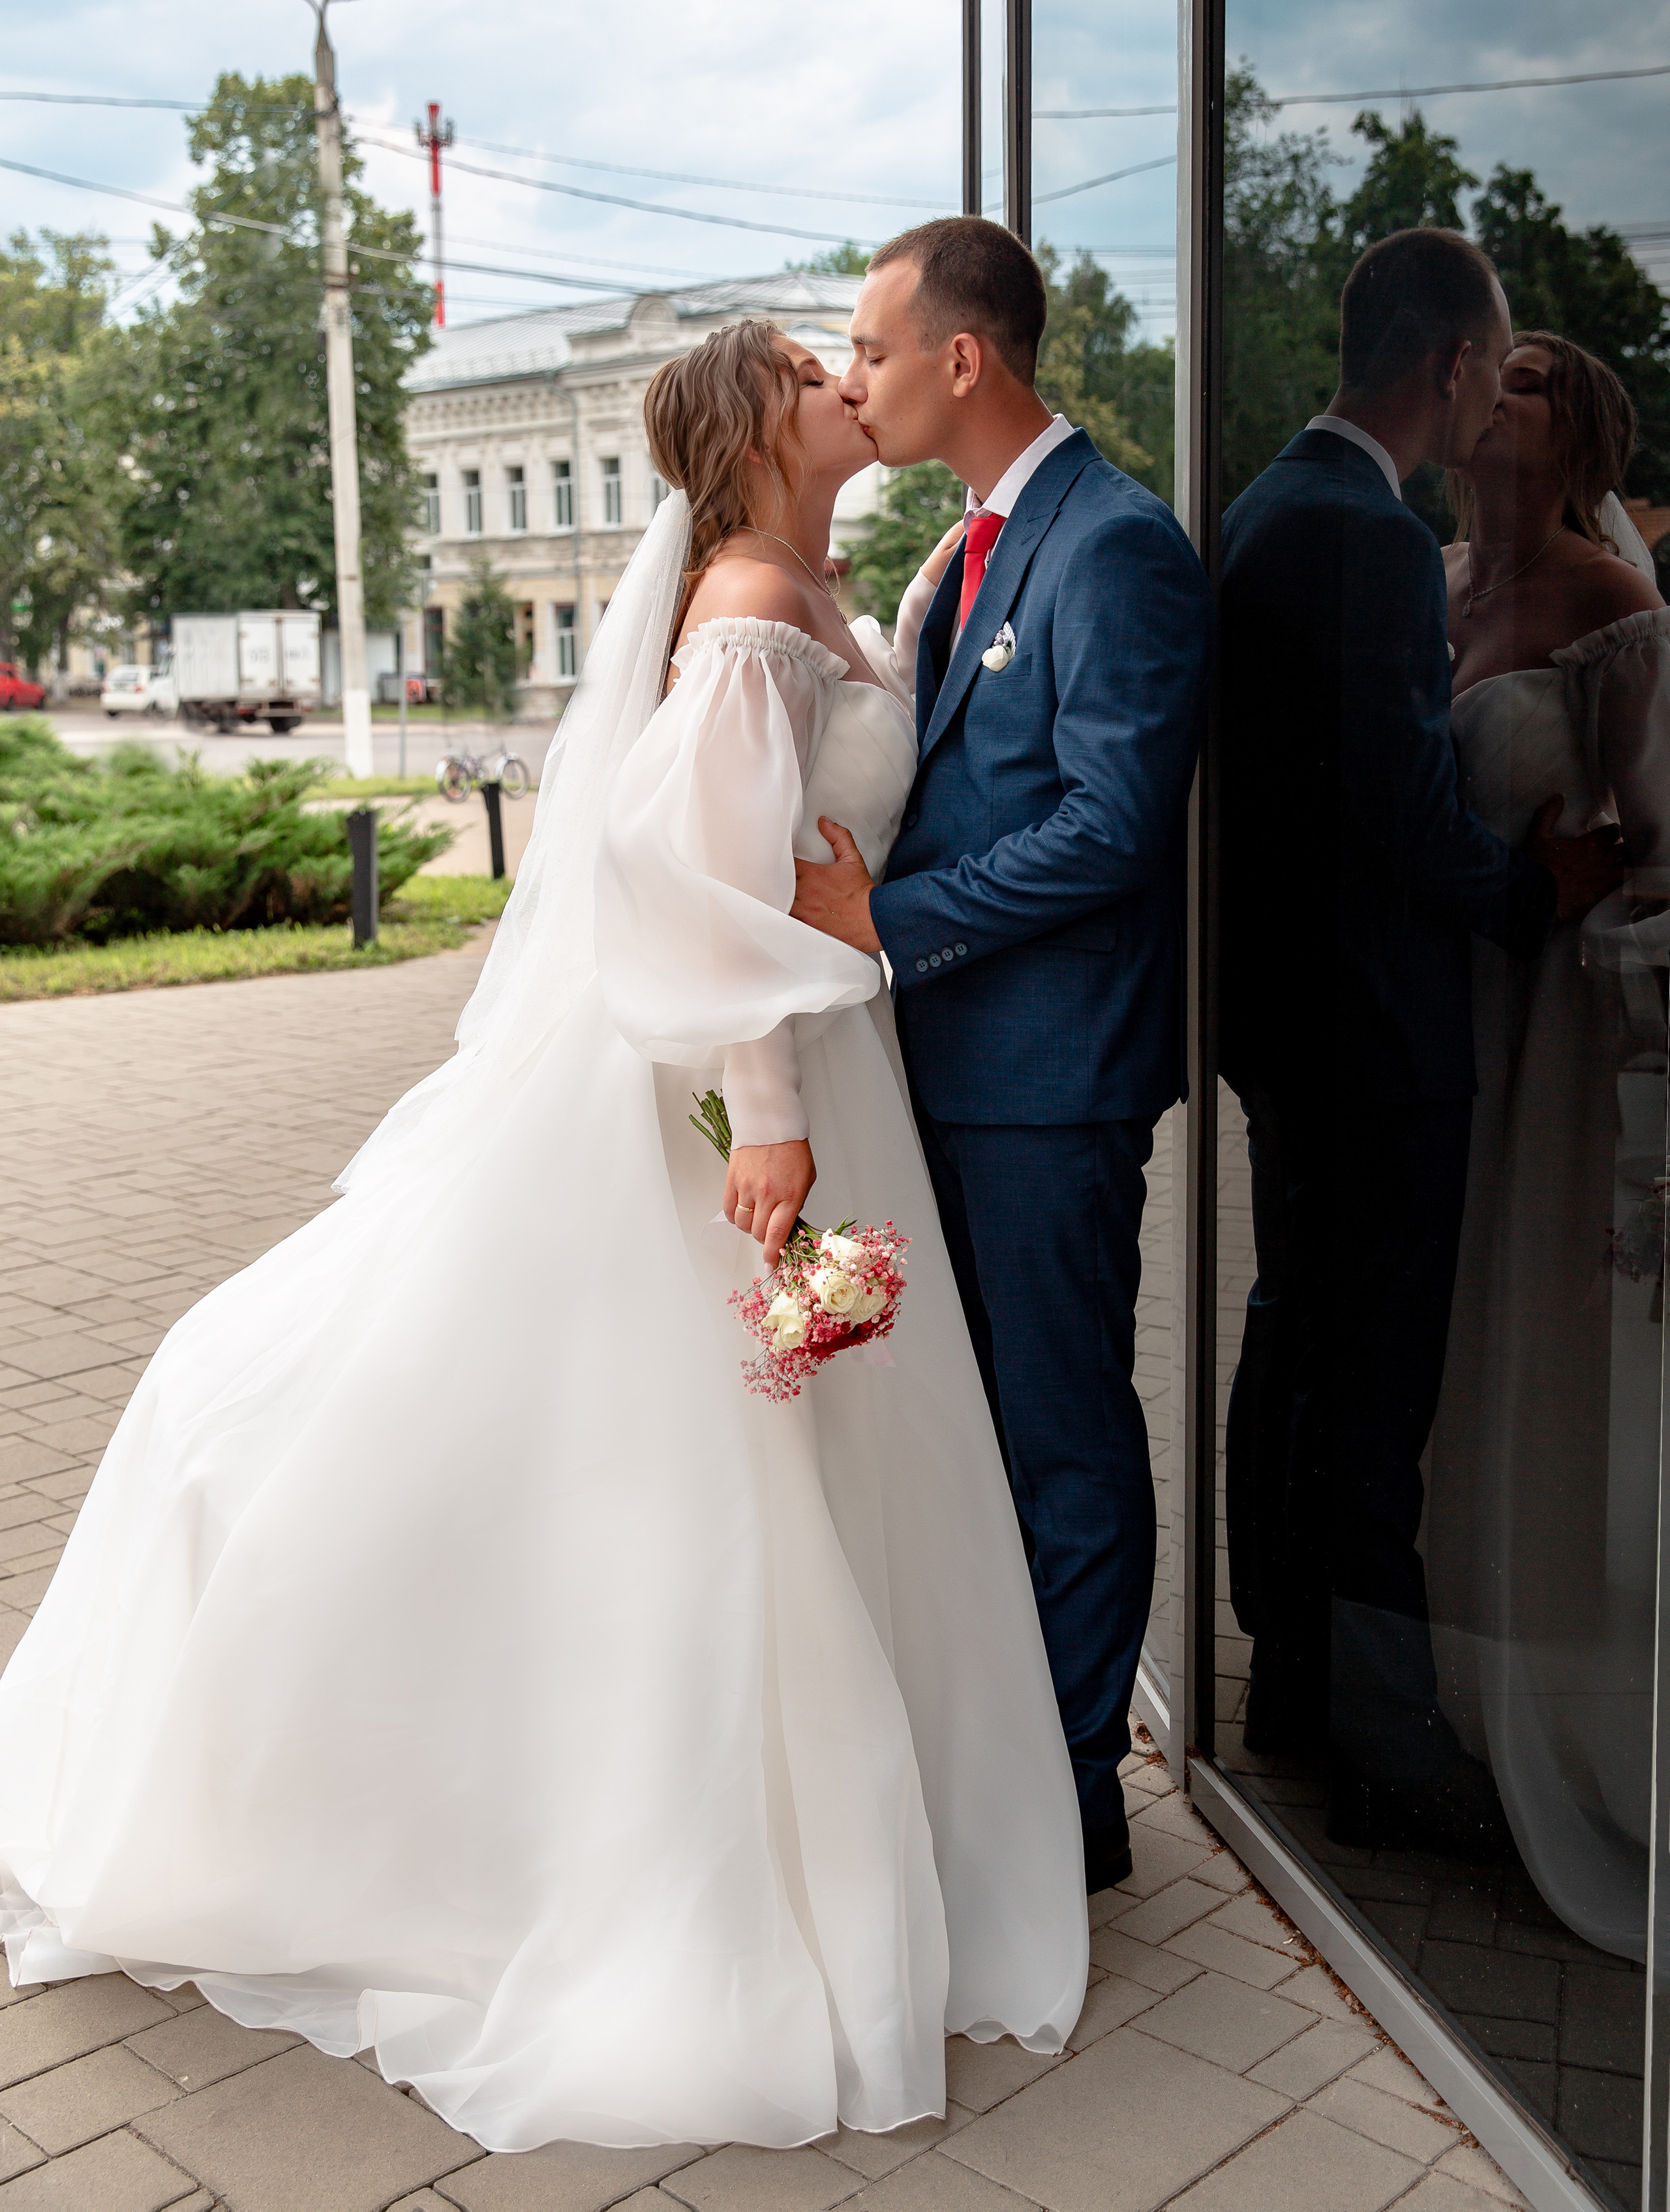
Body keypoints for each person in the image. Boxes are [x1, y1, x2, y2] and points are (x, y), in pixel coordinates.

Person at [0, 322, 1089, 2154]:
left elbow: (830, 825)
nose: (850, 384)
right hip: (755, 1089)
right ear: (762, 431)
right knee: (701, 1468)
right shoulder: (745, 607)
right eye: (822, 377)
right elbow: (699, 884)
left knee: (801, 1460)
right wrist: (775, 1114)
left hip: (836, 1049)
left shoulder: (825, 583)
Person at [787, 217, 1215, 1896]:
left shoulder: (1112, 547)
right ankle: (989, 1769)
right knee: (960, 1427)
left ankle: (1072, 1804)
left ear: (961, 358)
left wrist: (887, 921)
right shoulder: (960, 553)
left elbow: (1113, 826)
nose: (855, 378)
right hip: (936, 1078)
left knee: (1058, 1430)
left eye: (873, 350)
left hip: (1047, 1085)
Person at [1218, 229, 1626, 1857]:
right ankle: (1380, 1746)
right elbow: (1392, 809)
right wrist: (1532, 895)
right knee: (1368, 1390)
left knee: (1291, 1353)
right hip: (1382, 1035)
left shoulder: (1260, 507)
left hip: (1293, 1025)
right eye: (1494, 359)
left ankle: (1286, 1685)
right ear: (1450, 364)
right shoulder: (1368, 539)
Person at [1425, 335, 1667, 1952]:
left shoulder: (1614, 612)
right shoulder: (1426, 580)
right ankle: (1442, 1677)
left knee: (1535, 1330)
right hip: (1431, 1013)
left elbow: (1657, 852)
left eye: (1519, 378)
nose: (1484, 397)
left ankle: (1562, 1700)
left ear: (1571, 425)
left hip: (1561, 1027)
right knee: (1433, 1335)